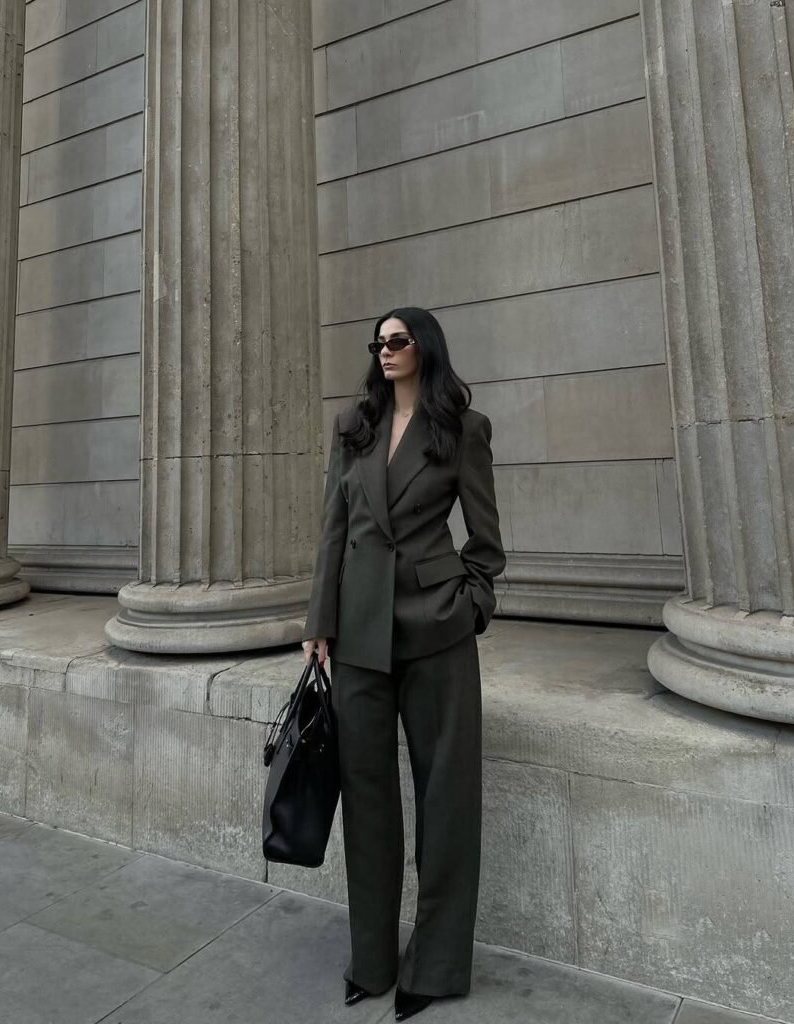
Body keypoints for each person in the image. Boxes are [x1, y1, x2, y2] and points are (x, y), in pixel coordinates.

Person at [302, 306, 505, 1021]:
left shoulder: (461, 431)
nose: (383, 351)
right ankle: (372, 958)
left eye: (396, 341)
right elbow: (333, 531)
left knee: (446, 800)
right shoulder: (353, 426)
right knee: (366, 800)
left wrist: (469, 606)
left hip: (434, 632)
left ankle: (439, 962)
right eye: (378, 343)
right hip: (356, 634)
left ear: (423, 348)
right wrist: (317, 623)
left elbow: (486, 542)